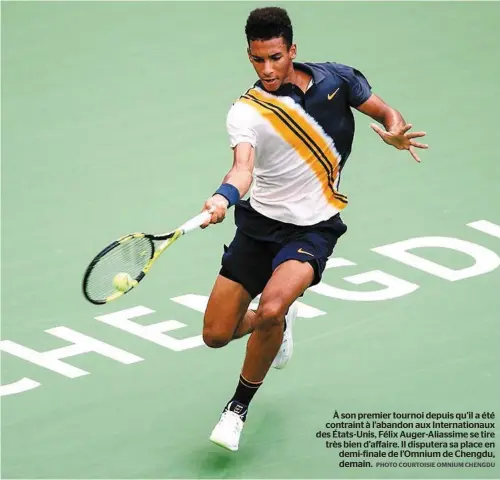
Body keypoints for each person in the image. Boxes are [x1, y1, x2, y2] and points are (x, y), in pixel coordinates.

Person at [199, 6, 428, 452]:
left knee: (270, 307)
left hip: (313, 229)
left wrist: (396, 130)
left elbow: (383, 111)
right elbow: (242, 168)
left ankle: (237, 408)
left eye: (276, 57)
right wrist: (223, 196)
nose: (267, 69)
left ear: (292, 51)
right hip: (258, 226)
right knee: (216, 335)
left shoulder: (336, 80)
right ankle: (278, 327)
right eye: (257, 59)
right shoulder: (247, 112)